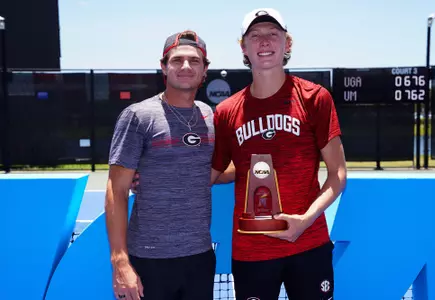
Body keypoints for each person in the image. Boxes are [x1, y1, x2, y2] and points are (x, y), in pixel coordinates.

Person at [210, 8, 348, 300]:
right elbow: (215, 172)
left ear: (288, 43)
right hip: (252, 250)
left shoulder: (315, 98)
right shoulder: (225, 112)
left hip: (309, 242)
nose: (264, 42)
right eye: (255, 36)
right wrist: (154, 177)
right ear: (243, 47)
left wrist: (305, 220)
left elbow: (337, 174)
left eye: (273, 34)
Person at [105, 29, 233, 300]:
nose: (185, 66)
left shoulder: (211, 116)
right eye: (177, 60)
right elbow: (115, 191)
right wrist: (120, 262)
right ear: (164, 67)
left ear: (205, 70)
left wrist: (261, 166)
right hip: (149, 260)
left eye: (194, 61)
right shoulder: (138, 116)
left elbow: (216, 170)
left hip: (199, 257)